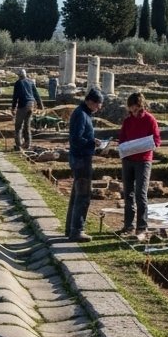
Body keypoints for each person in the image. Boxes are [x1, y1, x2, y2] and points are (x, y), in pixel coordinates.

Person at [117, 92, 161, 234]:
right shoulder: (127, 121)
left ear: (141, 106)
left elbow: (157, 141)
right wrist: (123, 148)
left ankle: (142, 226)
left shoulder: (150, 120)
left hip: (143, 160)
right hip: (128, 159)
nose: (133, 112)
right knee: (128, 192)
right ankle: (128, 225)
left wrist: (144, 145)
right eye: (131, 110)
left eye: (136, 109)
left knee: (140, 193)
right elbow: (122, 139)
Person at [65, 88, 105, 242]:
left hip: (80, 158)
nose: (99, 107)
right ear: (89, 101)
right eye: (97, 104)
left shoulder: (84, 113)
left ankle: (70, 228)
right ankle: (77, 230)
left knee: (76, 195)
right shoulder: (81, 114)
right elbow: (76, 138)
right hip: (81, 159)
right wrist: (92, 142)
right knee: (83, 195)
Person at [11, 68, 43, 150]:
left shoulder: (18, 83)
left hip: (23, 105)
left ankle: (18, 146)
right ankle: (27, 144)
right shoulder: (30, 82)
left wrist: (13, 107)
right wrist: (40, 105)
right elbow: (36, 94)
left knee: (18, 127)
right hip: (31, 105)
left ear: (19, 76)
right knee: (27, 126)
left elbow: (15, 97)